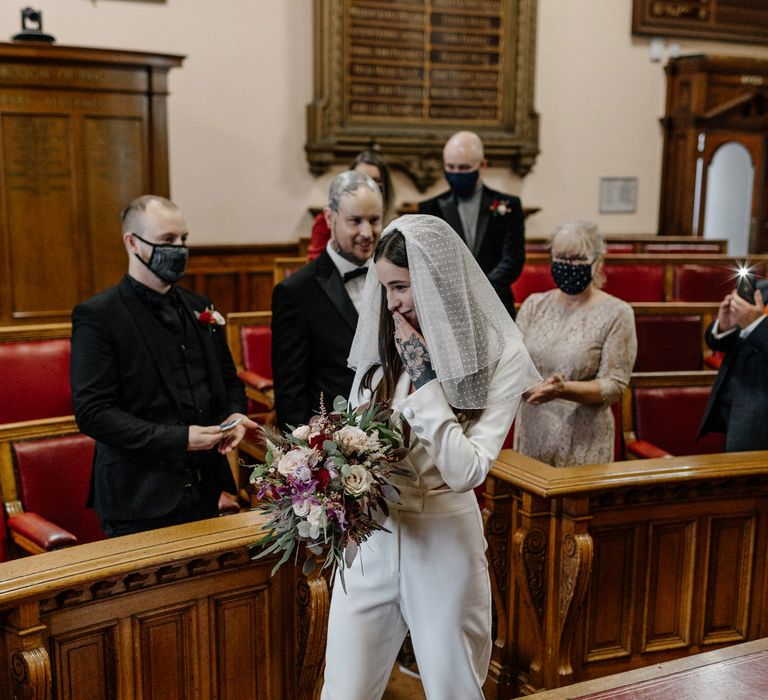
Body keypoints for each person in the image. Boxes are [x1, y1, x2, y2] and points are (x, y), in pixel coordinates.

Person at [321, 214, 540, 700]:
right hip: (373, 540)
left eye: (400, 286)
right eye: (384, 289)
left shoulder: (502, 355)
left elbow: (466, 471)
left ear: (438, 282)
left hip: (444, 541)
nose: (391, 303)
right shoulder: (384, 347)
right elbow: (355, 441)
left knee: (452, 690)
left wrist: (424, 379)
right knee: (343, 690)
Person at [71, 195, 257, 537]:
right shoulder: (99, 316)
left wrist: (232, 418)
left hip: (206, 487)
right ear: (132, 243)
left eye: (184, 239)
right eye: (168, 240)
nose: (180, 249)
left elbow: (229, 382)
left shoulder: (201, 308)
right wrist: (180, 439)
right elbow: (93, 412)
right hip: (137, 497)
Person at [513, 221, 636, 467]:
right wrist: (530, 387)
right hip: (532, 434)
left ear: (597, 262)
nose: (568, 266)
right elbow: (512, 363)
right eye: (561, 258)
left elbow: (614, 385)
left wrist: (563, 390)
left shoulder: (618, 313)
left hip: (583, 440)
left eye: (577, 259)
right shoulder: (534, 305)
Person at [272, 170, 383, 429]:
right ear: (330, 218)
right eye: (355, 221)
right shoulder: (296, 291)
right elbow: (291, 392)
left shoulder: (394, 279)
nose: (367, 232)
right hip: (336, 439)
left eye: (375, 220)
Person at [418, 130, 525, 317]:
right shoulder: (430, 208)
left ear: (482, 165)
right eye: (450, 167)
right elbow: (428, 261)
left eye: (464, 168)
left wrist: (482, 290)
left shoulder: (508, 206)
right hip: (448, 307)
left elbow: (513, 259)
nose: (456, 173)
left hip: (496, 302)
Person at [699, 279, 768, 451]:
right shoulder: (762, 288)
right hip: (735, 412)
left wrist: (755, 325)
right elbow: (716, 342)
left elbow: (756, 329)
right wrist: (724, 327)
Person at [307, 151, 394, 261]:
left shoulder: (394, 224)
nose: (368, 188)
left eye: (375, 182)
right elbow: (318, 264)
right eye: (362, 180)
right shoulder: (327, 221)